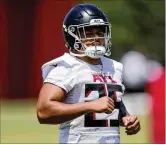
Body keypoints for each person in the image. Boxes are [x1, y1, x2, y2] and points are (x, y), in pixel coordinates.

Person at [36, 4, 140, 143]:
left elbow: (112, 104)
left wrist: (126, 119)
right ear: (72, 37)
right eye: (88, 34)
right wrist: (89, 106)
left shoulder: (114, 67)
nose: (96, 38)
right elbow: (44, 111)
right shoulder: (66, 67)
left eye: (100, 33)